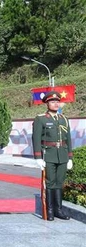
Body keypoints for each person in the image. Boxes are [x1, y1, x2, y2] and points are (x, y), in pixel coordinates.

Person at [32, 91, 73, 221]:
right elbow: (36, 138)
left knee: (59, 183)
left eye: (57, 102)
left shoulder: (64, 119)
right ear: (47, 103)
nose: (56, 104)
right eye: (52, 102)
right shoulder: (41, 119)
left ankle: (58, 210)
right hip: (48, 155)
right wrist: (38, 157)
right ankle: (49, 210)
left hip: (62, 155)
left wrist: (70, 157)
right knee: (50, 183)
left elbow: (68, 139)